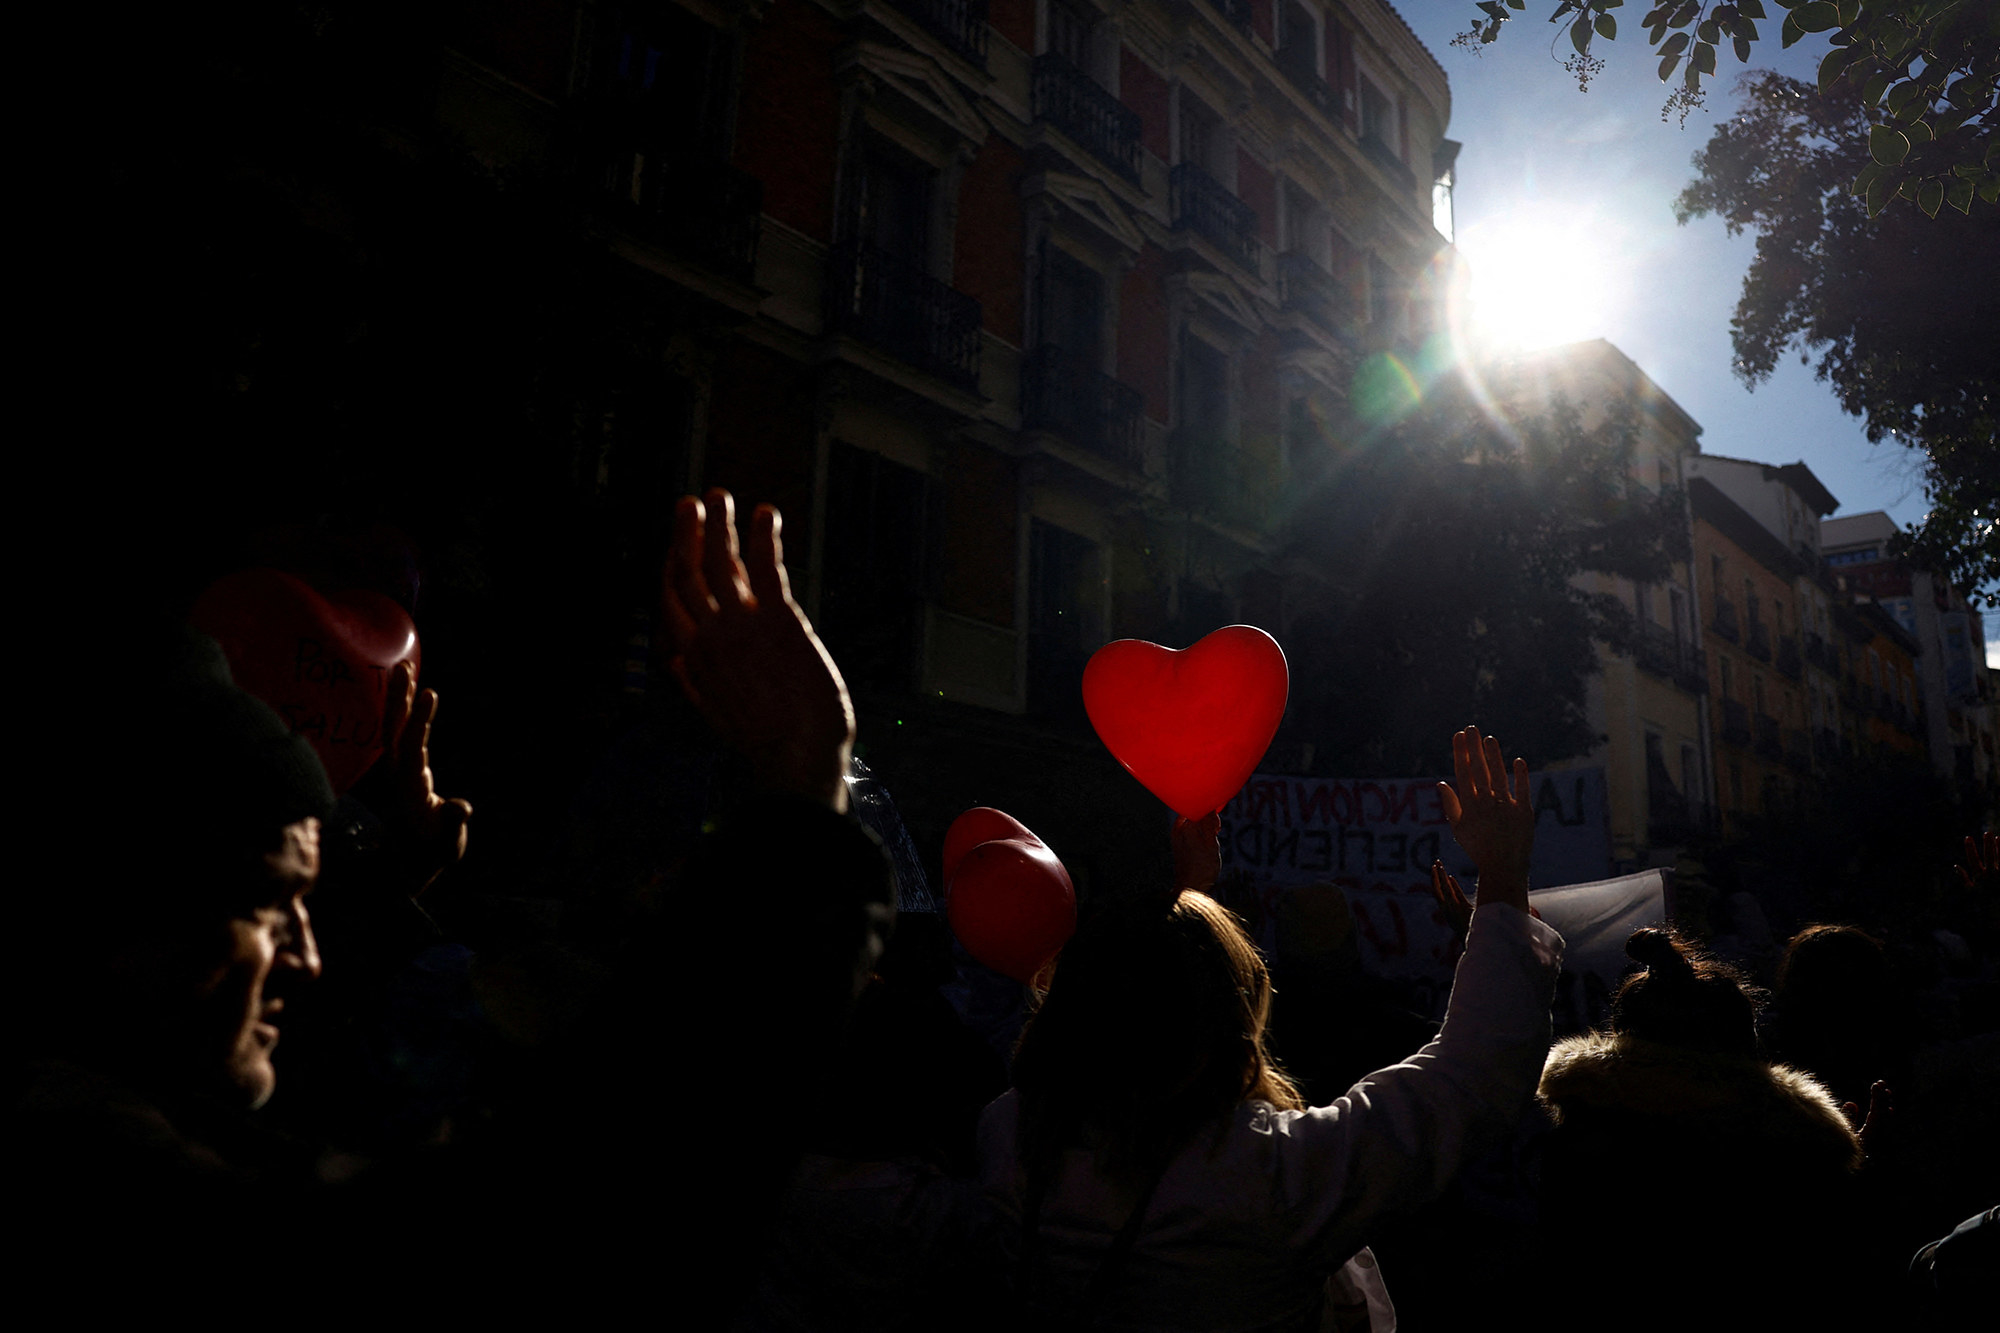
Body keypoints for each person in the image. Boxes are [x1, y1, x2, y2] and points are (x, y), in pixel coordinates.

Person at [979, 726, 1564, 1331]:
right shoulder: (1269, 1177)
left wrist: (1184, 905)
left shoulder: (1008, 1140)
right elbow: (1470, 1076)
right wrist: (1502, 872)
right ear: (1228, 1012)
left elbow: (1134, 989)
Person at [1536, 926, 1873, 1332]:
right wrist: (1855, 1170)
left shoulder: (1574, 1132)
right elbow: (1823, 1272)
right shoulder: (1784, 1150)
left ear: (1621, 1032)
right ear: (1745, 1038)